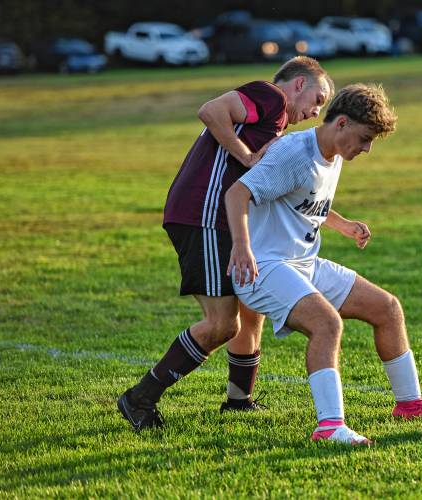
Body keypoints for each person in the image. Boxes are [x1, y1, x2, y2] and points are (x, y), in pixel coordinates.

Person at [117, 57, 334, 431]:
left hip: (216, 217)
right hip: (203, 213)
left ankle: (239, 401)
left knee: (252, 308)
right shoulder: (271, 97)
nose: (316, 112)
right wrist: (246, 155)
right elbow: (211, 110)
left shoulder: (276, 125)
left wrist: (340, 222)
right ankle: (140, 397)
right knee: (221, 325)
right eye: (318, 99)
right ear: (299, 84)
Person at [226, 84, 422, 445]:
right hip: (263, 267)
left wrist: (342, 224)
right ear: (341, 123)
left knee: (387, 308)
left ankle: (410, 403)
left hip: (302, 264)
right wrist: (242, 247)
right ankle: (329, 427)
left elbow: (305, 201)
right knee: (327, 323)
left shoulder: (335, 154)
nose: (367, 149)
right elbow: (237, 194)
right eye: (364, 138)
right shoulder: (293, 152)